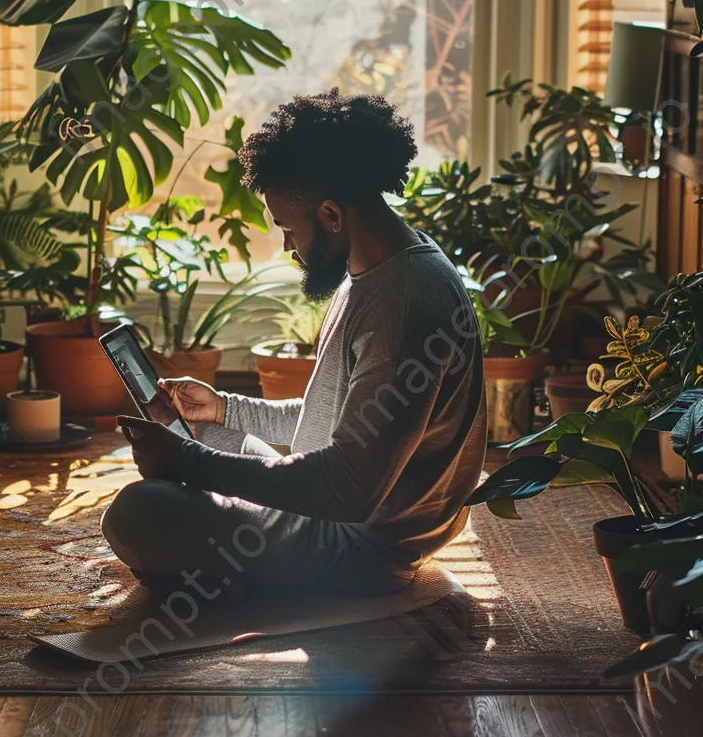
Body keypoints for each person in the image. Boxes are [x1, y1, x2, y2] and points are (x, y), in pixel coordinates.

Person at [103, 89, 486, 597]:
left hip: (367, 546)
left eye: (286, 228)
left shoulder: (404, 305)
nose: (286, 246)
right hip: (339, 508)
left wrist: (187, 465)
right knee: (206, 436)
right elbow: (334, 420)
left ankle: (237, 577)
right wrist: (223, 410)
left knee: (137, 512)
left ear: (331, 214)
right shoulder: (378, 263)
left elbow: (348, 488)